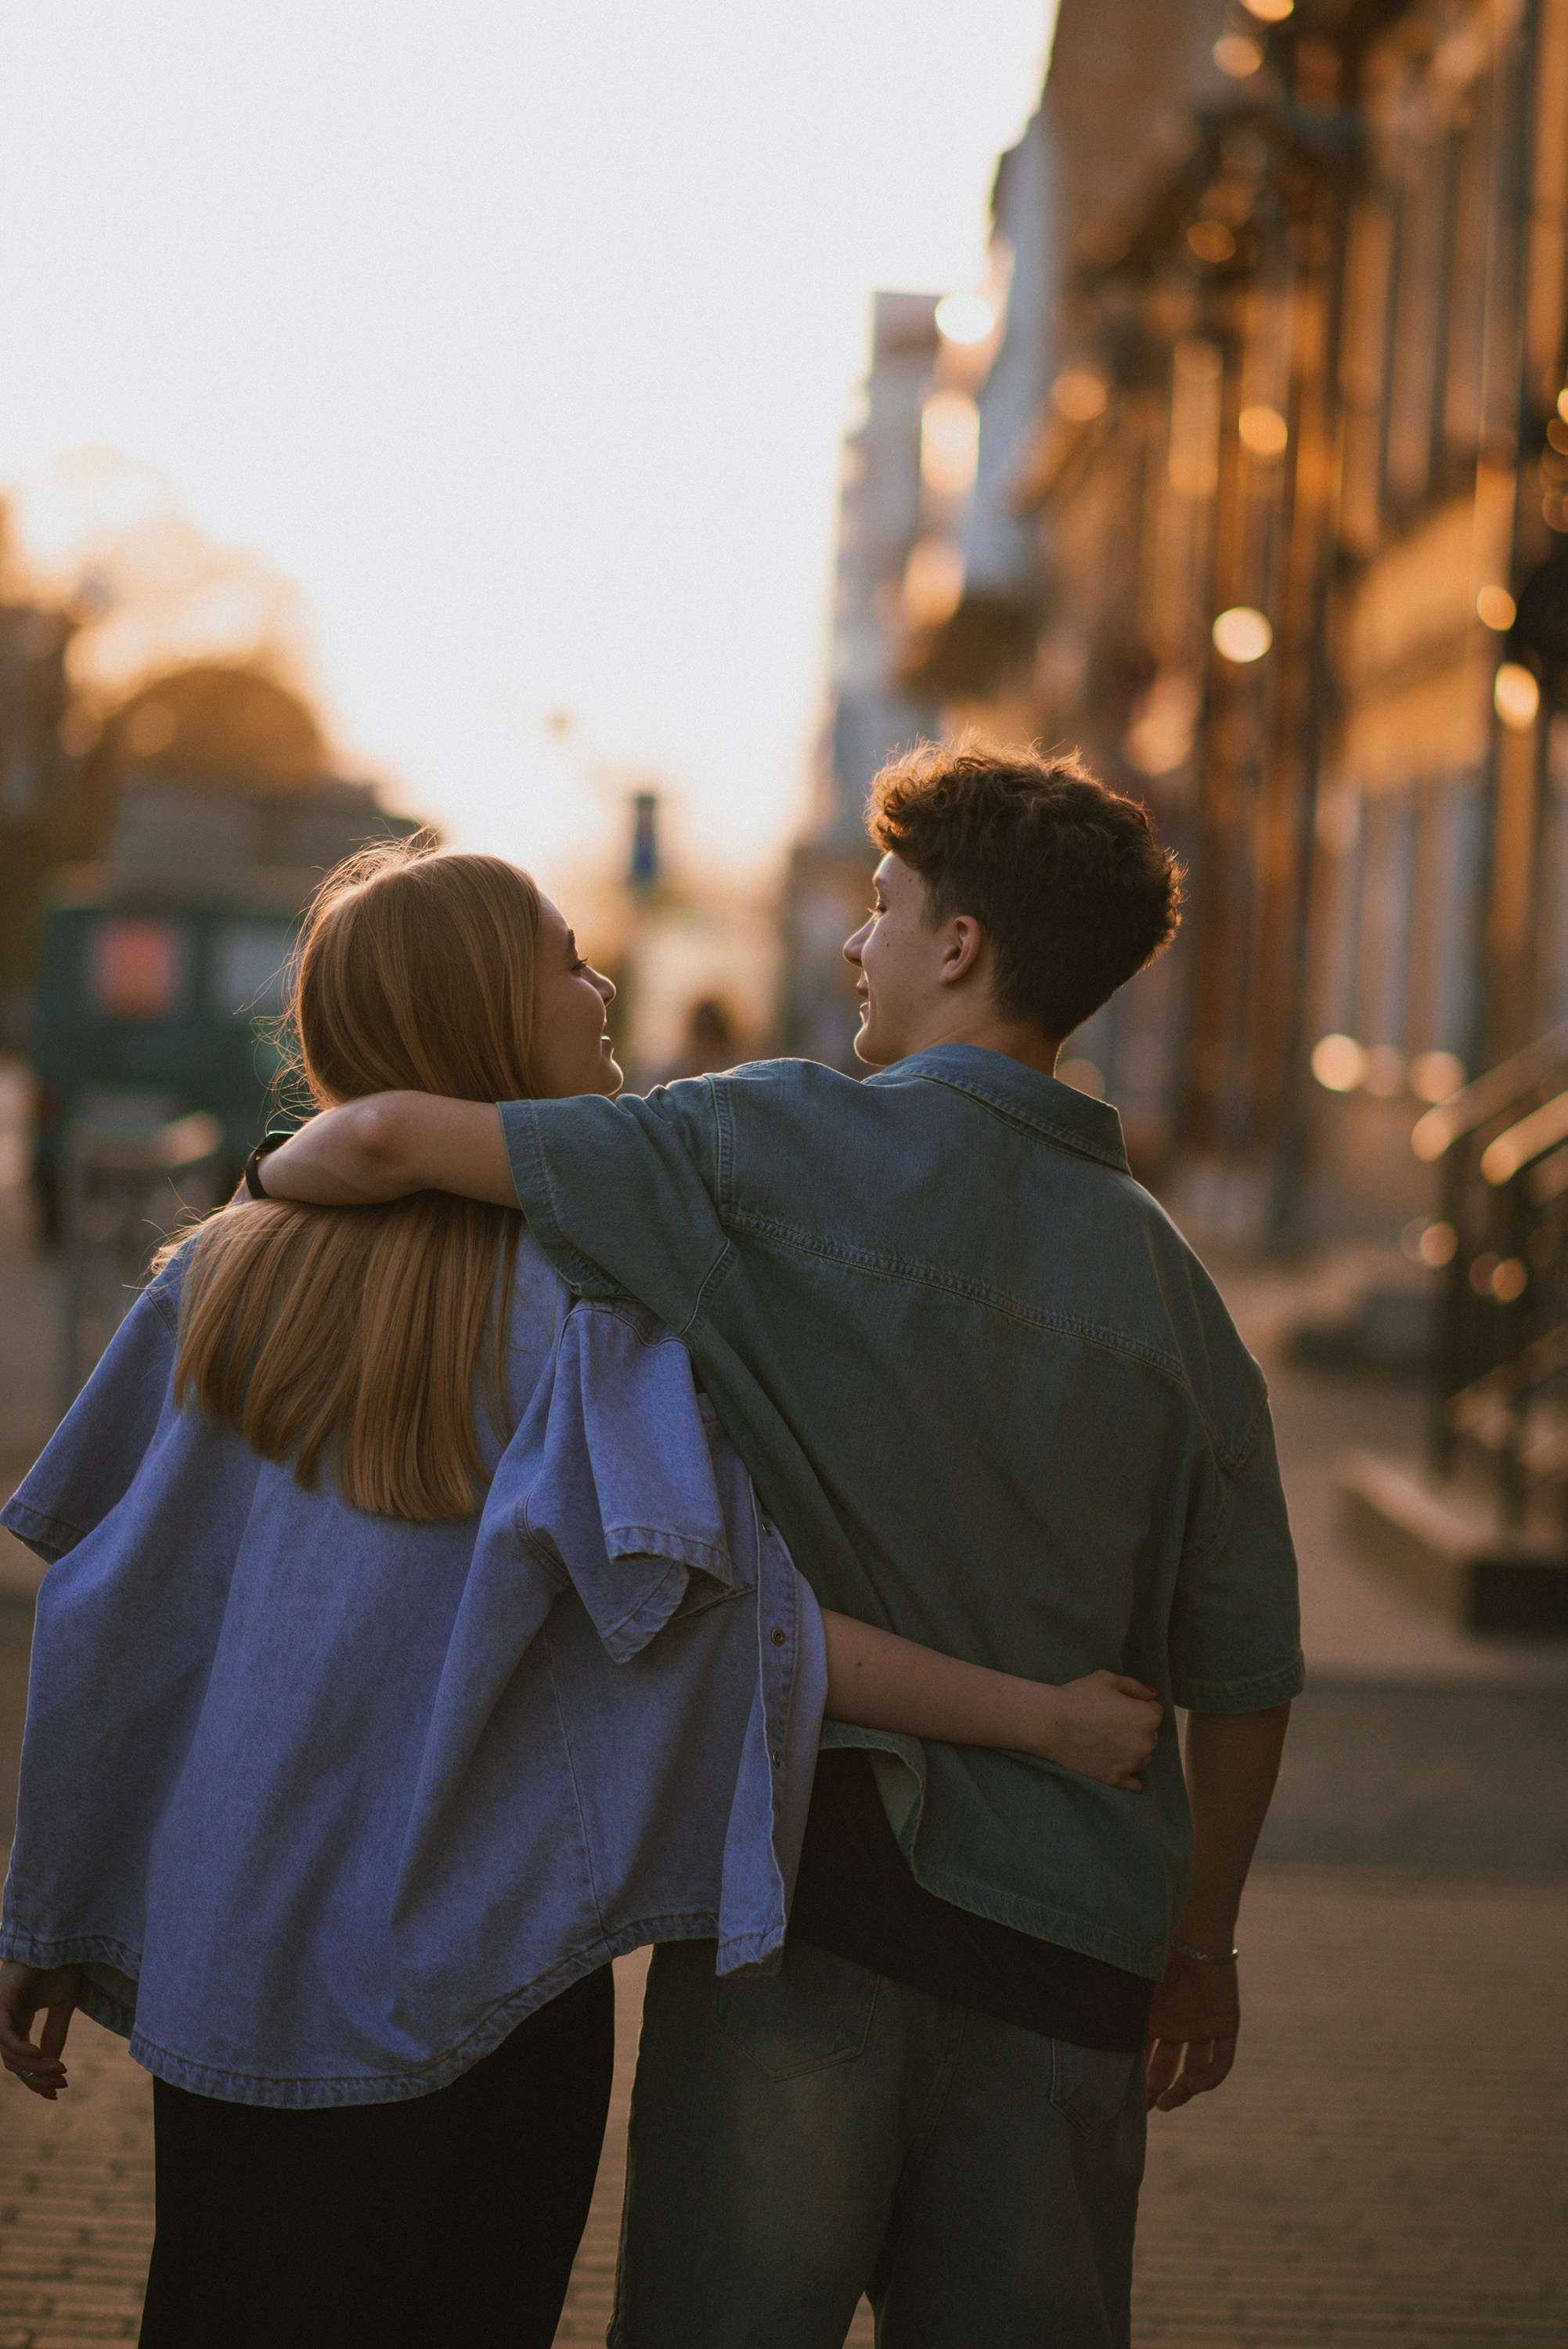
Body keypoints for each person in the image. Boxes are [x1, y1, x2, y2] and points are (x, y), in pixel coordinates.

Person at [0, 841, 1162, 2349]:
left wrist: (48, 1902)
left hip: (244, 1974)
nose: (601, 982)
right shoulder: (595, 1322)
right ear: (487, 1009)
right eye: (564, 959)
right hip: (496, 1994)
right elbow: (739, 1630)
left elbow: (112, 1620)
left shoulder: (216, 1283)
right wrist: (1044, 1719)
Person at [248, 744, 1303, 2349]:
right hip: (1076, 1958)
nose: (853, 945)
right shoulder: (1185, 1308)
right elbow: (1245, 1678)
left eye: (882, 911)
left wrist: (260, 1192)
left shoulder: (765, 1150)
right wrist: (1201, 1946)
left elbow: (391, 1142)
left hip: (809, 1921)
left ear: (957, 947)